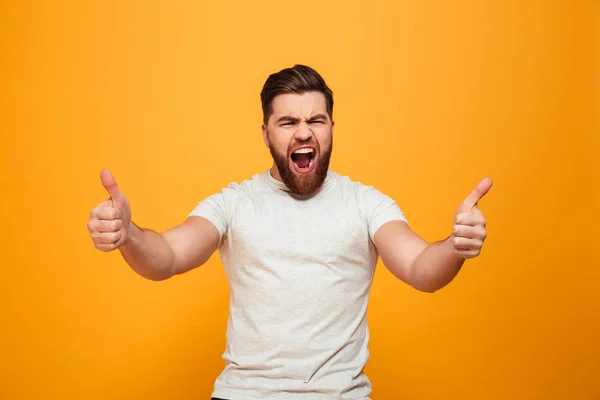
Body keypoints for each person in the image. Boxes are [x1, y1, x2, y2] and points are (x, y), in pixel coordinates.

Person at [87, 64, 492, 400]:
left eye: (315, 120)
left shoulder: (366, 204)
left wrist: (456, 246)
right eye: (288, 122)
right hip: (243, 394)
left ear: (331, 127)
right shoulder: (233, 203)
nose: (303, 132)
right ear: (266, 133)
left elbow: (421, 268)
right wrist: (130, 235)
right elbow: (169, 257)